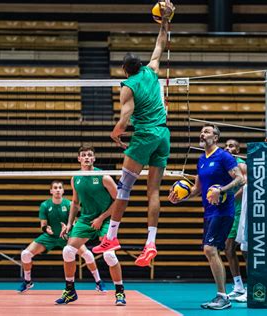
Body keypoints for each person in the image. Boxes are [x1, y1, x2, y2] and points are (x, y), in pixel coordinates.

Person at [92, 0, 176, 268]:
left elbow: (125, 118)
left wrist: (115, 134)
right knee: (153, 191)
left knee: (124, 186)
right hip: (163, 136)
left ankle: (112, 237)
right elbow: (161, 43)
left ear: (125, 70)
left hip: (145, 136)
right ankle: (151, 242)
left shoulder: (127, 85)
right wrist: (165, 20)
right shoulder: (151, 69)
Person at [168, 125, 244, 310]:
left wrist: (221, 190)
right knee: (209, 251)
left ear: (216, 137)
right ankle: (222, 295)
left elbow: (240, 178)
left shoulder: (224, 156)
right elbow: (197, 189)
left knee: (210, 249)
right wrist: (181, 198)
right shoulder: (201, 160)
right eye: (201, 131)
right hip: (209, 211)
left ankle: (223, 297)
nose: (203, 134)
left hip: (224, 210)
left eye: (207, 131)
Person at [55, 146, 126, 306]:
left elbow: (120, 200)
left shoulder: (104, 177)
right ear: (79, 159)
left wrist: (101, 218)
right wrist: (69, 223)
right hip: (85, 220)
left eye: (89, 155)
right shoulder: (75, 179)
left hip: (106, 219)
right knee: (68, 250)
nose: (87, 157)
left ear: (94, 159)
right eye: (83, 155)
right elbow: (74, 202)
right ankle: (70, 291)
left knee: (109, 255)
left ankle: (120, 292)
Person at [18, 180, 106, 293]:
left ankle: (98, 282)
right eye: (55, 187)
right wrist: (46, 229)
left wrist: (69, 227)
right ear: (51, 191)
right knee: (25, 254)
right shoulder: (45, 205)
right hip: (50, 237)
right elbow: (43, 225)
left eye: (60, 187)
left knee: (88, 255)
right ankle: (27, 281)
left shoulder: (69, 204)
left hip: (67, 236)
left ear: (63, 190)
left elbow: (75, 222)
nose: (58, 189)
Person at [224, 139, 248, 302]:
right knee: (228, 248)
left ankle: (251, 286)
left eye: (231, 146)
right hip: (230, 211)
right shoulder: (226, 165)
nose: (227, 148)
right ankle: (238, 286)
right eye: (226, 146)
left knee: (244, 249)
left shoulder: (241, 164)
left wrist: (229, 198)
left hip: (241, 211)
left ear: (238, 150)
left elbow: (245, 183)